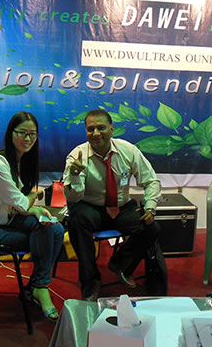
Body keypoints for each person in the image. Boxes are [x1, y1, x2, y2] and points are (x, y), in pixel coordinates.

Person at [0, 111, 64, 322]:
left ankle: (37, 285)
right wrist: (34, 199)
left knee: (56, 229)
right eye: (22, 133)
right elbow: (21, 203)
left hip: (4, 219)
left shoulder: (17, 162)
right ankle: (40, 287)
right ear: (11, 133)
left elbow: (19, 202)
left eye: (32, 134)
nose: (28, 139)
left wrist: (33, 205)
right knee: (45, 232)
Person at [63, 109, 161, 301]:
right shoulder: (77, 156)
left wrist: (150, 207)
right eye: (90, 129)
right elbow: (74, 197)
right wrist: (74, 175)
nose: (95, 133)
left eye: (101, 128)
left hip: (121, 207)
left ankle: (120, 264)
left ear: (112, 129)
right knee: (76, 222)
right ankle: (90, 282)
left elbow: (151, 181)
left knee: (152, 228)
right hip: (90, 208)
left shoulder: (128, 151)